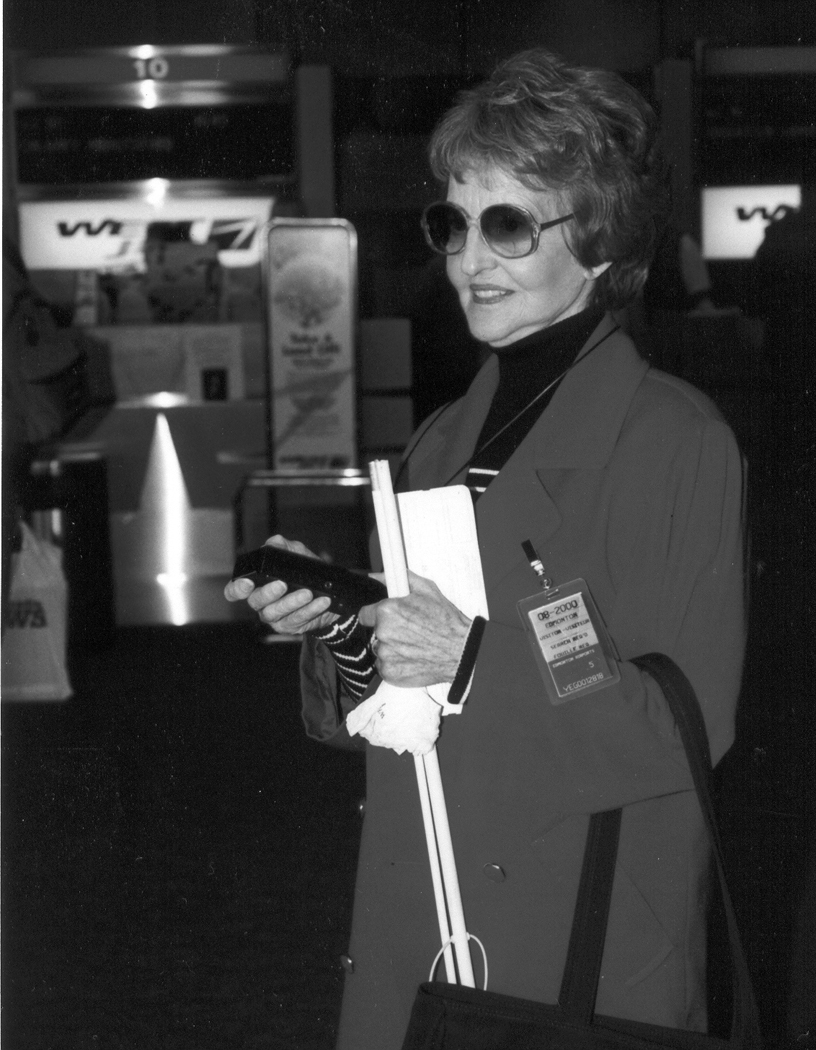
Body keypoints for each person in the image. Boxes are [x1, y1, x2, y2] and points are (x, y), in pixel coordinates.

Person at [226, 48, 746, 1050]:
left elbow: (683, 728)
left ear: (597, 241)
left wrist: (469, 655)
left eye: (508, 224)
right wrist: (341, 624)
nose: (470, 257)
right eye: (453, 223)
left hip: (572, 953)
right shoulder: (441, 441)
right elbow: (396, 710)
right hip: (419, 915)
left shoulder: (676, 442)